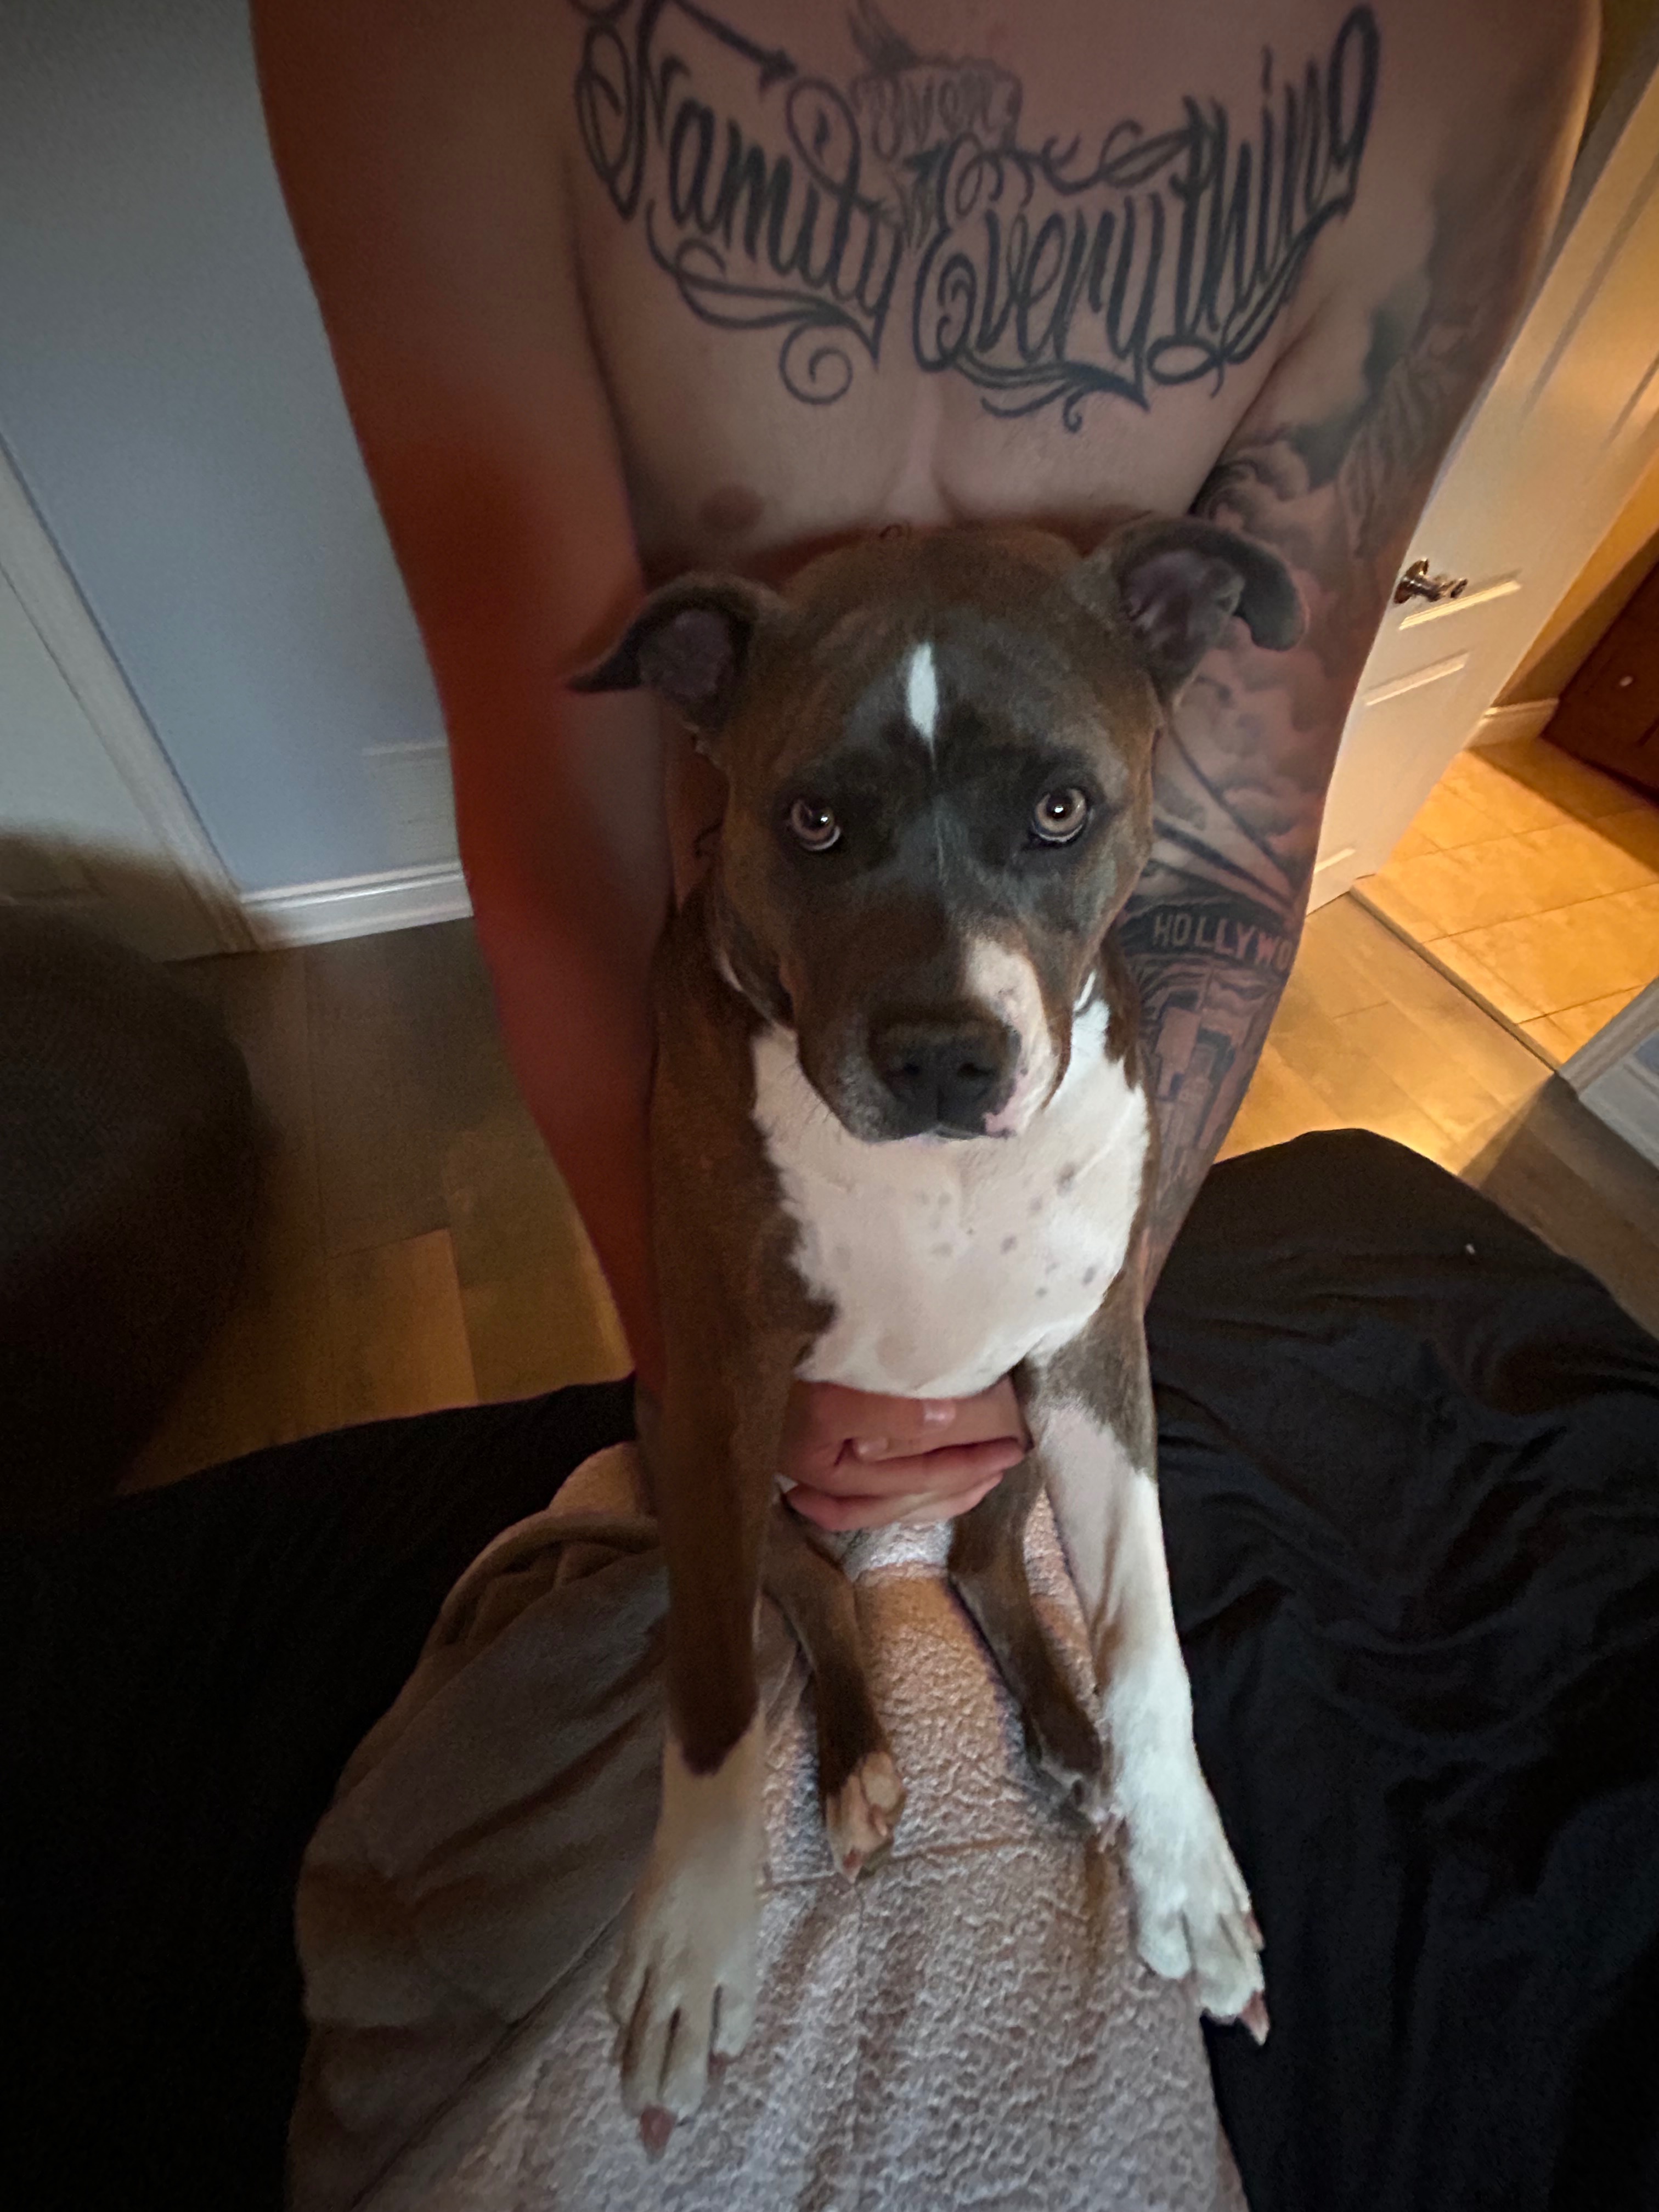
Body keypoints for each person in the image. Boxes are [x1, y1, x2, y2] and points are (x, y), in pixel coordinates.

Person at [251, 0, 1596, 1535]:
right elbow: (570, 846)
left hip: (1049, 1126)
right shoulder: (423, 31)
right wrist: (701, 1359)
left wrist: (1059, 1329)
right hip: (752, 1030)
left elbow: (1232, 843)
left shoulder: (1462, 38)